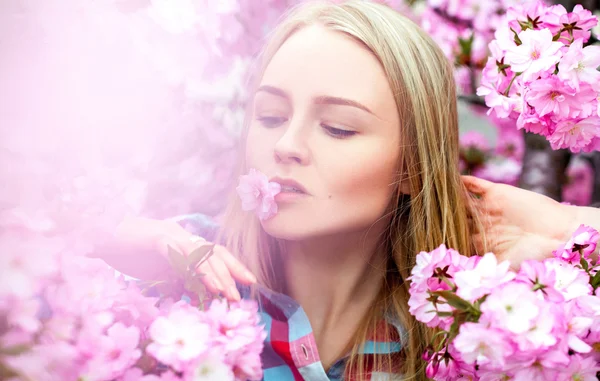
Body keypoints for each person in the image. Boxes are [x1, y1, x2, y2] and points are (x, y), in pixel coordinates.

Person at [95, 1, 600, 380]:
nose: (286, 145)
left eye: (337, 127)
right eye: (270, 117)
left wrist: (563, 224)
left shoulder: (467, 331)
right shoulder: (185, 275)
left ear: (411, 166)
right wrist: (117, 239)